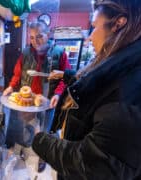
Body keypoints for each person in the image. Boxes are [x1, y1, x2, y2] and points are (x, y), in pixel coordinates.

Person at [32, 0, 141, 179]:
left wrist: (41, 142)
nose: (89, 37)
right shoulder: (125, 66)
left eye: (94, 27)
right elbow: (99, 84)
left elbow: (95, 163)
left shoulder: (131, 84)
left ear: (118, 24)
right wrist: (67, 76)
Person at [3, 20, 71, 172]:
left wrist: (58, 94)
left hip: (47, 101)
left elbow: (65, 77)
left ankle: (42, 156)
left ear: (48, 34)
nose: (35, 41)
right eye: (32, 37)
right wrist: (10, 86)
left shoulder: (59, 53)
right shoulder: (26, 53)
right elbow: (17, 74)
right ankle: (21, 148)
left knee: (44, 129)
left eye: (39, 36)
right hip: (28, 100)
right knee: (23, 125)